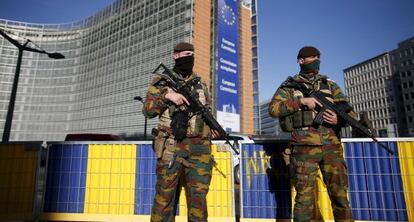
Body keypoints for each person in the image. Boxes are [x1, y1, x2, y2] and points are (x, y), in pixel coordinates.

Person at [268, 46, 354, 221]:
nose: (316, 61)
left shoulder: (329, 84)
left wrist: (339, 119)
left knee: (340, 198)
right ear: (301, 61)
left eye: (318, 58)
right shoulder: (289, 86)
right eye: (312, 58)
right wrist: (301, 102)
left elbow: (348, 111)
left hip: (332, 147)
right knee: (304, 200)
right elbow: (274, 109)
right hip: (303, 149)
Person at [143, 42, 214, 222]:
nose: (189, 57)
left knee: (198, 200)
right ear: (175, 56)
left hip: (200, 148)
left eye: (191, 53)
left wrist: (212, 128)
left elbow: (207, 110)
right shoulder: (162, 81)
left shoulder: (200, 83)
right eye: (184, 54)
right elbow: (148, 110)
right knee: (164, 198)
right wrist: (167, 96)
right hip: (172, 144)